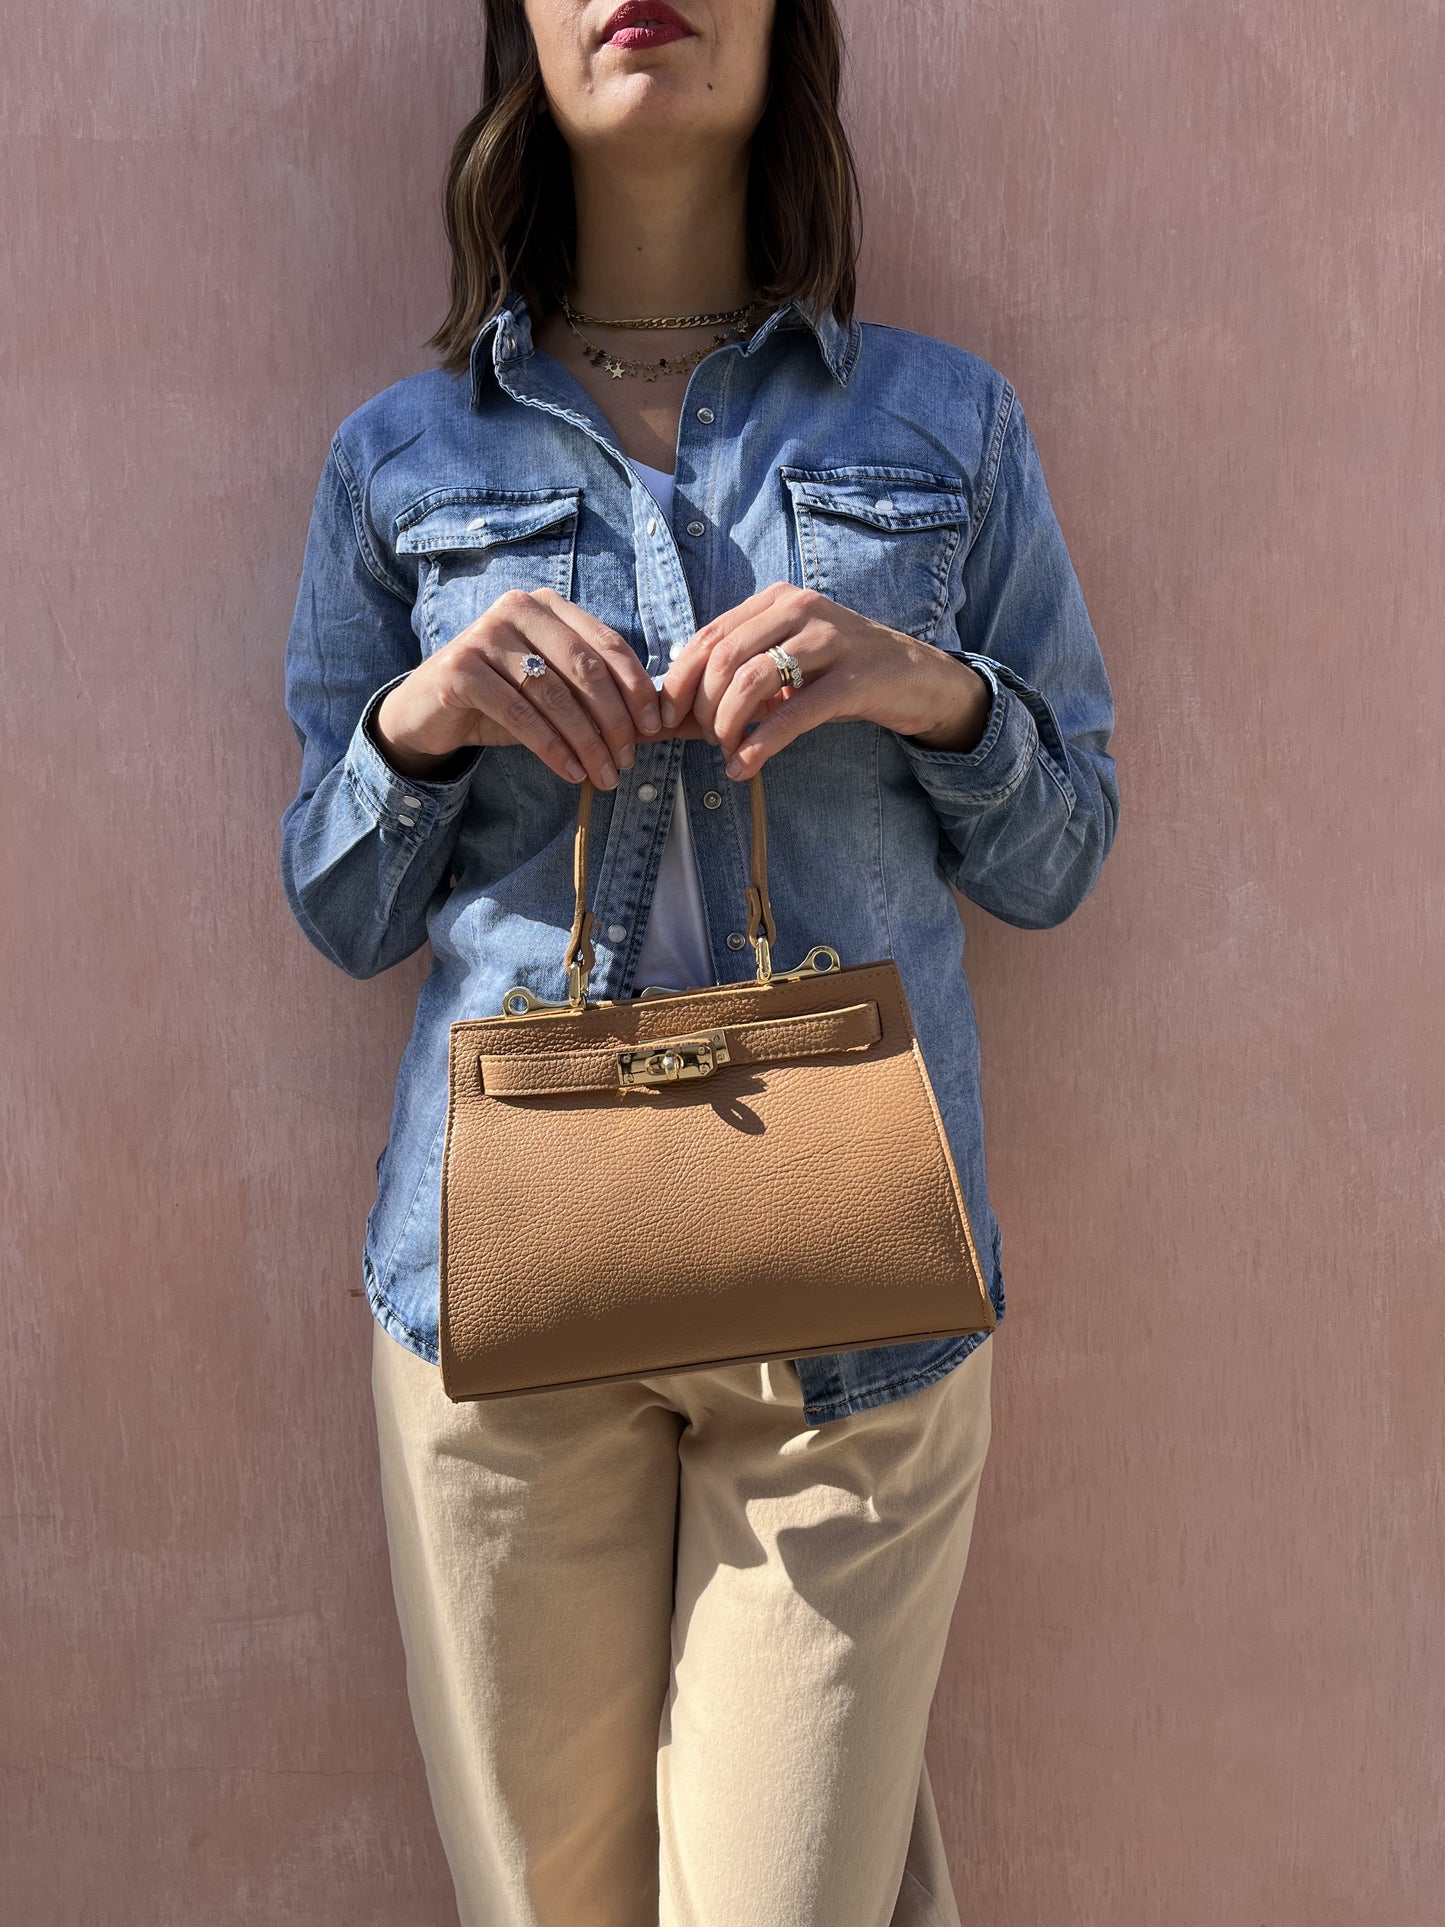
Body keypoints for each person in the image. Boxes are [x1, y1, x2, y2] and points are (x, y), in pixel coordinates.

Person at [277, 2, 1119, 1920]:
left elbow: (1064, 854)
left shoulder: (941, 421)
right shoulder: (400, 459)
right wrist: (419, 729)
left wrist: (920, 690)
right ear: (519, 40)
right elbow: (335, 907)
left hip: (850, 1289)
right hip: (499, 1291)